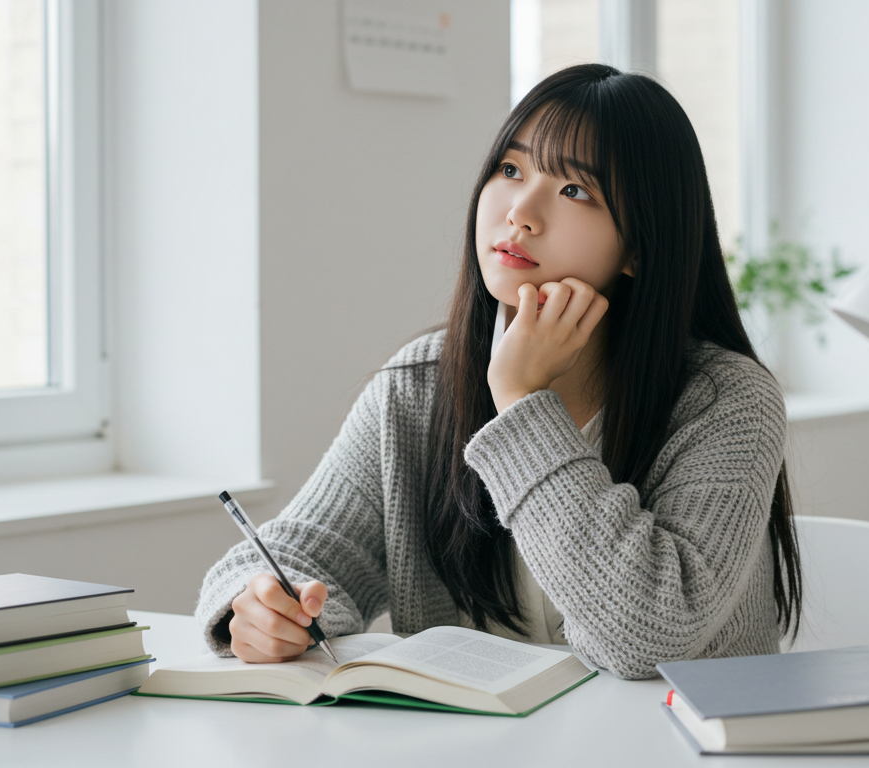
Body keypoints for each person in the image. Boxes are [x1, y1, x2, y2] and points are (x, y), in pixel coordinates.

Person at [190, 63, 800, 680]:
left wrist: (520, 401)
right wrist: (262, 605)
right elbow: (299, 551)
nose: (522, 213)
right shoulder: (419, 386)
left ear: (639, 248)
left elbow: (650, 641)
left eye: (575, 191)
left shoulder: (728, 401)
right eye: (511, 170)